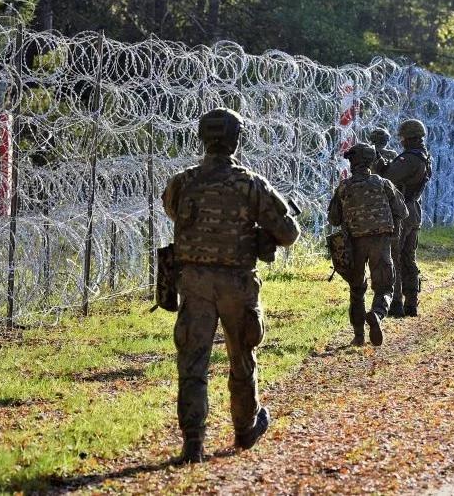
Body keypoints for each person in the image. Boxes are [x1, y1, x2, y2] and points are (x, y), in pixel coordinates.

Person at [162, 108, 300, 463]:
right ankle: (245, 428)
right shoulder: (250, 183)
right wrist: (258, 233)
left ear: (202, 137)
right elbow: (288, 234)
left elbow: (174, 212)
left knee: (193, 362)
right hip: (236, 283)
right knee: (241, 357)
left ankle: (193, 442)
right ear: (237, 139)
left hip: (193, 281)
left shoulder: (183, 182)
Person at [328, 144, 408, 346]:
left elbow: (334, 219)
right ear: (371, 161)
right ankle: (377, 315)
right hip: (380, 241)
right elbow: (402, 210)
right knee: (384, 287)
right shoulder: (382, 183)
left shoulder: (344, 187)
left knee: (356, 290)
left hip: (353, 243)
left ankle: (358, 336)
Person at [376, 119, 432, 318]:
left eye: (403, 138)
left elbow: (388, 177)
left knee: (396, 258)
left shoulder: (409, 159)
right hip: (415, 210)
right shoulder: (423, 156)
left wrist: (378, 161)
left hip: (403, 211)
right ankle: (412, 302)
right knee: (409, 258)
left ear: (408, 138)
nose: (401, 141)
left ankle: (397, 303)